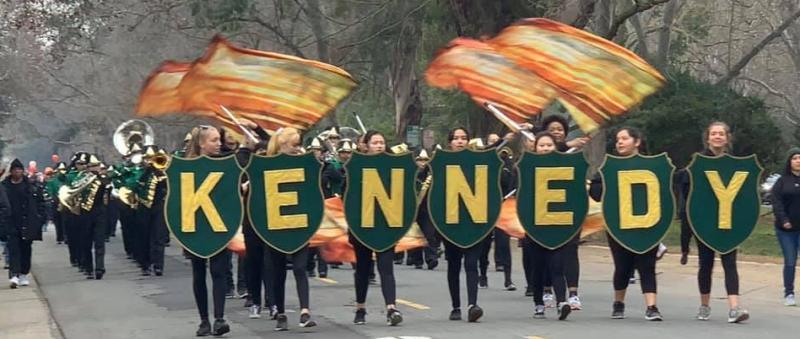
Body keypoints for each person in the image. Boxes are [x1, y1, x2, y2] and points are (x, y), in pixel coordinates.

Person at [589, 127, 663, 321]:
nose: (619, 142)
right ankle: (618, 302)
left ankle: (652, 306)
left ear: (637, 142)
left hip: (647, 223)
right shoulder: (609, 166)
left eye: (624, 138)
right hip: (618, 224)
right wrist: (603, 184)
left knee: (647, 265)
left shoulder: (652, 165)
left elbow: (664, 193)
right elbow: (595, 193)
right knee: (623, 266)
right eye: (617, 139)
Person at [693, 121, 749, 323]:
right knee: (705, 264)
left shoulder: (735, 164)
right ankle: (704, 305)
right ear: (708, 138)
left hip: (727, 222)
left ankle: (735, 308)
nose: (717, 137)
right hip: (704, 221)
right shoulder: (697, 162)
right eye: (713, 133)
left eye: (721, 134)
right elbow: (690, 194)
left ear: (727, 138)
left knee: (730, 263)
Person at [264, 127, 318, 331]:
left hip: (300, 222)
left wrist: (310, 164)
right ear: (283, 145)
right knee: (278, 272)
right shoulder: (267, 164)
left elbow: (316, 187)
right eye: (295, 144)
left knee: (299, 268)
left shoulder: (304, 163)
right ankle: (281, 312)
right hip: (275, 225)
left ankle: (305, 312)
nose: (298, 148)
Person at [351, 130, 403, 326]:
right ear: (366, 145)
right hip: (362, 226)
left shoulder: (394, 166)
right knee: (363, 269)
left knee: (386, 268)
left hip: (386, 224)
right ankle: (360, 309)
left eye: (382, 142)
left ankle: (391, 308)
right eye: (375, 142)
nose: (380, 145)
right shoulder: (356, 166)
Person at [184, 125, 232, 336]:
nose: (219, 143)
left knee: (219, 271)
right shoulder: (186, 166)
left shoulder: (225, 163)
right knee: (198, 272)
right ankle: (204, 320)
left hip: (218, 223)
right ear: (201, 143)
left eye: (218, 139)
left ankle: (219, 318)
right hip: (196, 225)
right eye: (214, 140)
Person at [521, 132, 573, 320]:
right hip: (534, 226)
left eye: (549, 145)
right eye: (541, 145)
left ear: (555, 147)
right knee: (538, 267)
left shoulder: (564, 166)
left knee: (557, 266)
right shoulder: (527, 167)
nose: (545, 148)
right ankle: (538, 304)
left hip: (558, 223)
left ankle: (561, 302)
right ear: (535, 148)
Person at [441, 127, 484, 322]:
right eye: (456, 138)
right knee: (454, 266)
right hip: (451, 225)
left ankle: (472, 305)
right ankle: (455, 306)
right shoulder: (441, 164)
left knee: (471, 264)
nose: (460, 141)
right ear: (450, 142)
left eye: (464, 138)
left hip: (474, 223)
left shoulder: (478, 164)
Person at [3, 159, 46, 288]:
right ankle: (14, 274)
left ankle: (23, 273)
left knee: (26, 249)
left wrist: (40, 218)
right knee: (13, 249)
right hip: (11, 222)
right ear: (11, 171)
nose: (17, 172)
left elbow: (40, 203)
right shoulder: (4, 187)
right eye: (15, 170)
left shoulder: (30, 186)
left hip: (27, 222)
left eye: (19, 170)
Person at [771, 147, 800, 306]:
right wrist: (784, 220)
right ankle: (789, 293)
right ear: (790, 162)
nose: (798, 161)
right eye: (795, 158)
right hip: (786, 230)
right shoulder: (782, 181)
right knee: (790, 261)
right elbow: (776, 202)